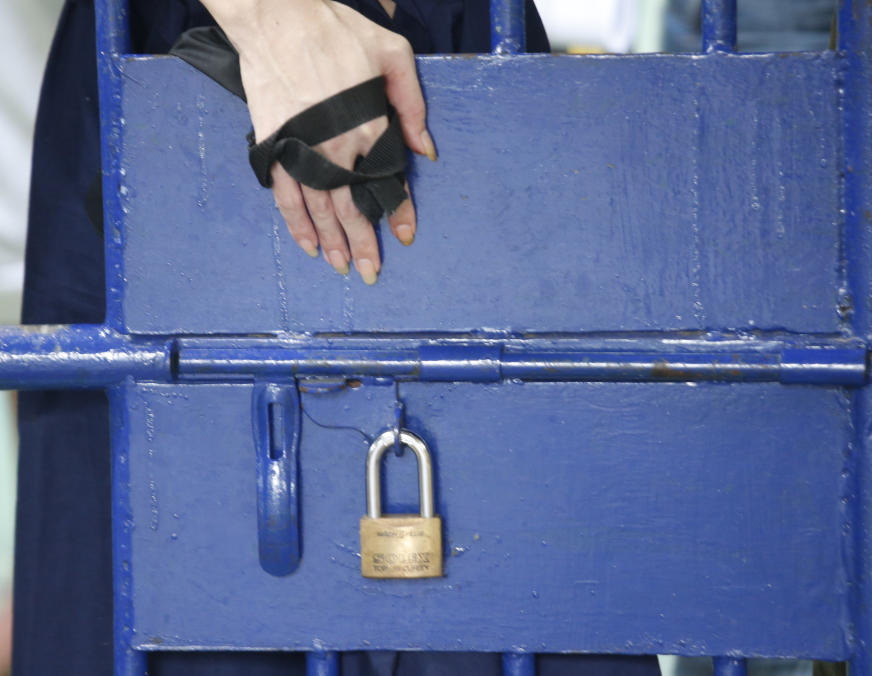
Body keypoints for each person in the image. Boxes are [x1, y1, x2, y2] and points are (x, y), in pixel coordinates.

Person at [14, 1, 661, 674]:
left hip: (464, 55)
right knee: (181, 586)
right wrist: (267, 15)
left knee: (508, 584)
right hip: (178, 56)